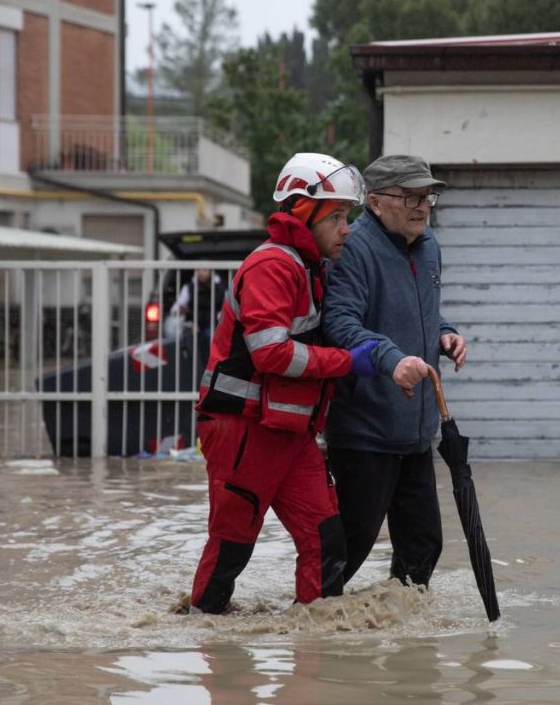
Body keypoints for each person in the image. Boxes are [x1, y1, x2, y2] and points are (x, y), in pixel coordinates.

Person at [189, 153, 379, 614]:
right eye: (336, 217)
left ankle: (315, 653)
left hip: (288, 433)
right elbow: (270, 353)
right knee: (232, 548)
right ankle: (207, 650)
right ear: (302, 213)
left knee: (327, 541)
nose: (347, 229)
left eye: (347, 217)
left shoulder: (308, 267)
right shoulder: (273, 266)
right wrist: (347, 362)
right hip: (244, 430)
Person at [322, 154, 468, 588]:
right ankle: (309, 633)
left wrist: (446, 333)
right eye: (409, 196)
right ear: (376, 201)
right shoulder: (354, 248)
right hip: (365, 430)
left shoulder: (429, 247)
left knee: (424, 546)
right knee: (350, 546)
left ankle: (405, 641)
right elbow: (340, 324)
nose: (421, 206)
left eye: (428, 196)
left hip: (417, 430)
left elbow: (421, 315)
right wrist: (390, 358)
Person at [170, 268, 224, 334]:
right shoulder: (189, 287)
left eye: (204, 270)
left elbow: (223, 310)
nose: (201, 273)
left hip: (213, 324)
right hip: (193, 324)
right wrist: (180, 311)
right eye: (198, 270)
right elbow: (177, 307)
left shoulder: (220, 289)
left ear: (210, 272)